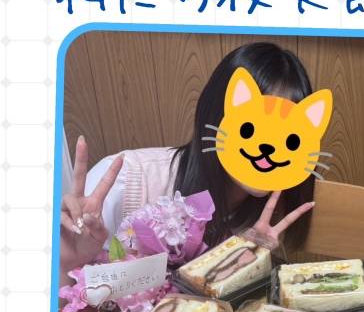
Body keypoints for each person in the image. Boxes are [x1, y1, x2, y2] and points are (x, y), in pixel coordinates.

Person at [59, 42, 317, 282]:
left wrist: (248, 266)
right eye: (253, 127)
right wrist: (68, 261)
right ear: (216, 115)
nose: (269, 147)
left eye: (287, 136)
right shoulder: (127, 179)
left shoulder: (275, 211)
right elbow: (66, 293)